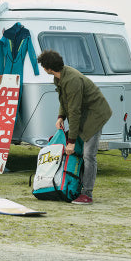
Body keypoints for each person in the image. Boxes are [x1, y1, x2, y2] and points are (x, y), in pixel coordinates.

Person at [37, 49, 112, 205]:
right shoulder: (59, 78)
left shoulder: (72, 80)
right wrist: (60, 117)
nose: (43, 68)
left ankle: (87, 194)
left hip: (95, 115)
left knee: (88, 155)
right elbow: (65, 101)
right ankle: (75, 187)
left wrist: (70, 141)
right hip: (84, 114)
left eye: (43, 66)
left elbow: (75, 110)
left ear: (48, 68)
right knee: (81, 153)